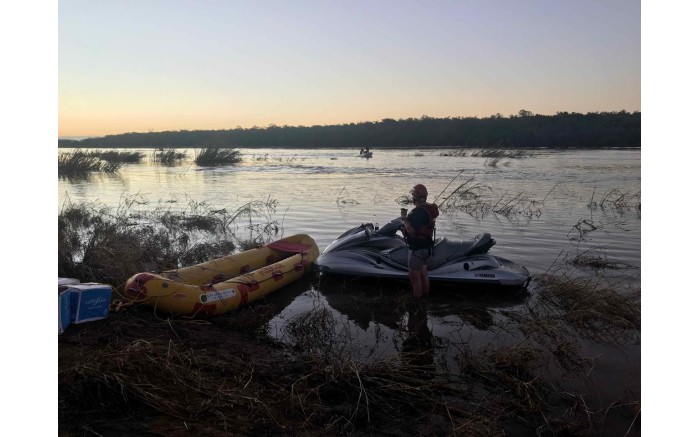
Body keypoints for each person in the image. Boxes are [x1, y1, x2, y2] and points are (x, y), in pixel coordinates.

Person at [400, 184, 439, 298]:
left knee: (414, 278)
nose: (411, 197)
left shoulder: (419, 212)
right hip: (426, 247)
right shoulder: (427, 209)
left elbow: (411, 231)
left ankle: (417, 304)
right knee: (423, 274)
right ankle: (425, 298)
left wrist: (404, 218)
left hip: (417, 249)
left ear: (416, 196)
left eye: (412, 195)